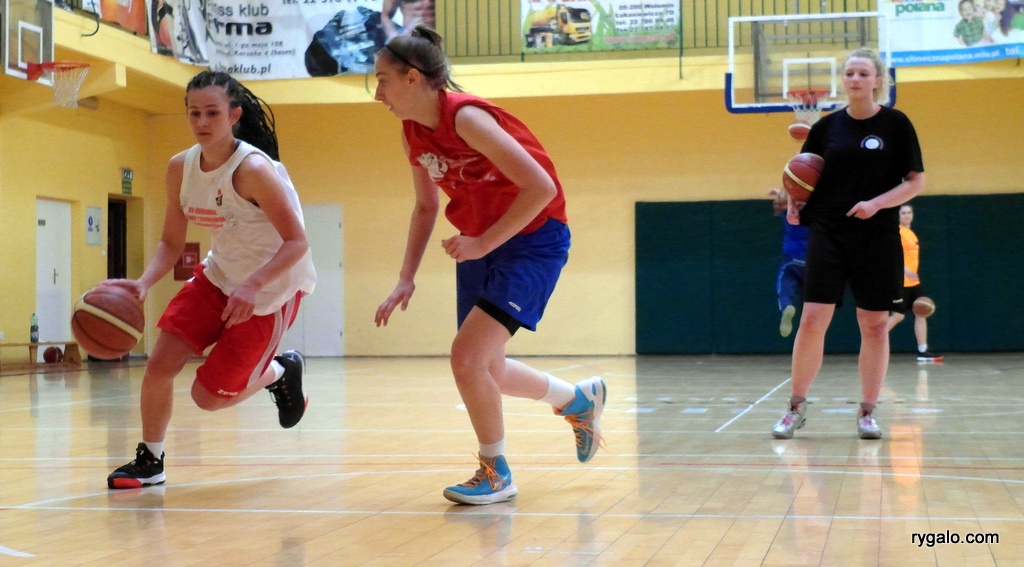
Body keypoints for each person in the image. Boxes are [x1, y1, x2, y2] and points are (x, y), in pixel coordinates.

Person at [372, 25, 606, 505]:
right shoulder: (411, 132)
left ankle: (495, 472)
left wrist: (482, 243)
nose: (377, 94)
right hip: (482, 242)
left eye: (382, 80)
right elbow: (425, 206)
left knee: (466, 359)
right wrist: (405, 278)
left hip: (533, 238)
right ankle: (576, 401)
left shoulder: (468, 118)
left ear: (413, 78)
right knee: (487, 366)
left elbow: (540, 187)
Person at [104, 70, 317, 489]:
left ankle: (279, 370)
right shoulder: (179, 168)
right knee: (159, 365)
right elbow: (171, 242)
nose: (202, 121)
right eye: (194, 113)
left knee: (207, 398)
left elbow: (297, 242)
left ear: (234, 115)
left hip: (269, 290)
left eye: (213, 113)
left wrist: (253, 285)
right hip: (218, 276)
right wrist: (143, 283)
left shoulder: (253, 170)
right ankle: (151, 460)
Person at [770, 47, 925, 441]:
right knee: (812, 318)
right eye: (849, 73)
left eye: (863, 73)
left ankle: (868, 412)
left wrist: (875, 204)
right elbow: (803, 179)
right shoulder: (826, 128)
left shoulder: (896, 124)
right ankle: (795, 408)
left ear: (878, 81)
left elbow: (915, 182)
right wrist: (794, 204)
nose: (854, 79)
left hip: (877, 234)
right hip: (829, 232)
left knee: (874, 325)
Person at [886, 204, 943, 362]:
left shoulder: (911, 233)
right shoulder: (898, 233)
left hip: (913, 283)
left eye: (909, 212)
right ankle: (874, 341)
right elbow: (893, 257)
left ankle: (923, 351)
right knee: (898, 315)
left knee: (921, 312)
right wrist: (905, 271)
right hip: (901, 282)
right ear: (898, 216)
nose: (907, 215)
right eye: (903, 213)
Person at [767, 188, 809, 338]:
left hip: (791, 260)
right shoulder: (812, 216)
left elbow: (788, 199)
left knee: (784, 288)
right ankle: (809, 323)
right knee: (811, 301)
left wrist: (778, 193)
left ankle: (787, 306)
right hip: (811, 261)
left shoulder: (787, 214)